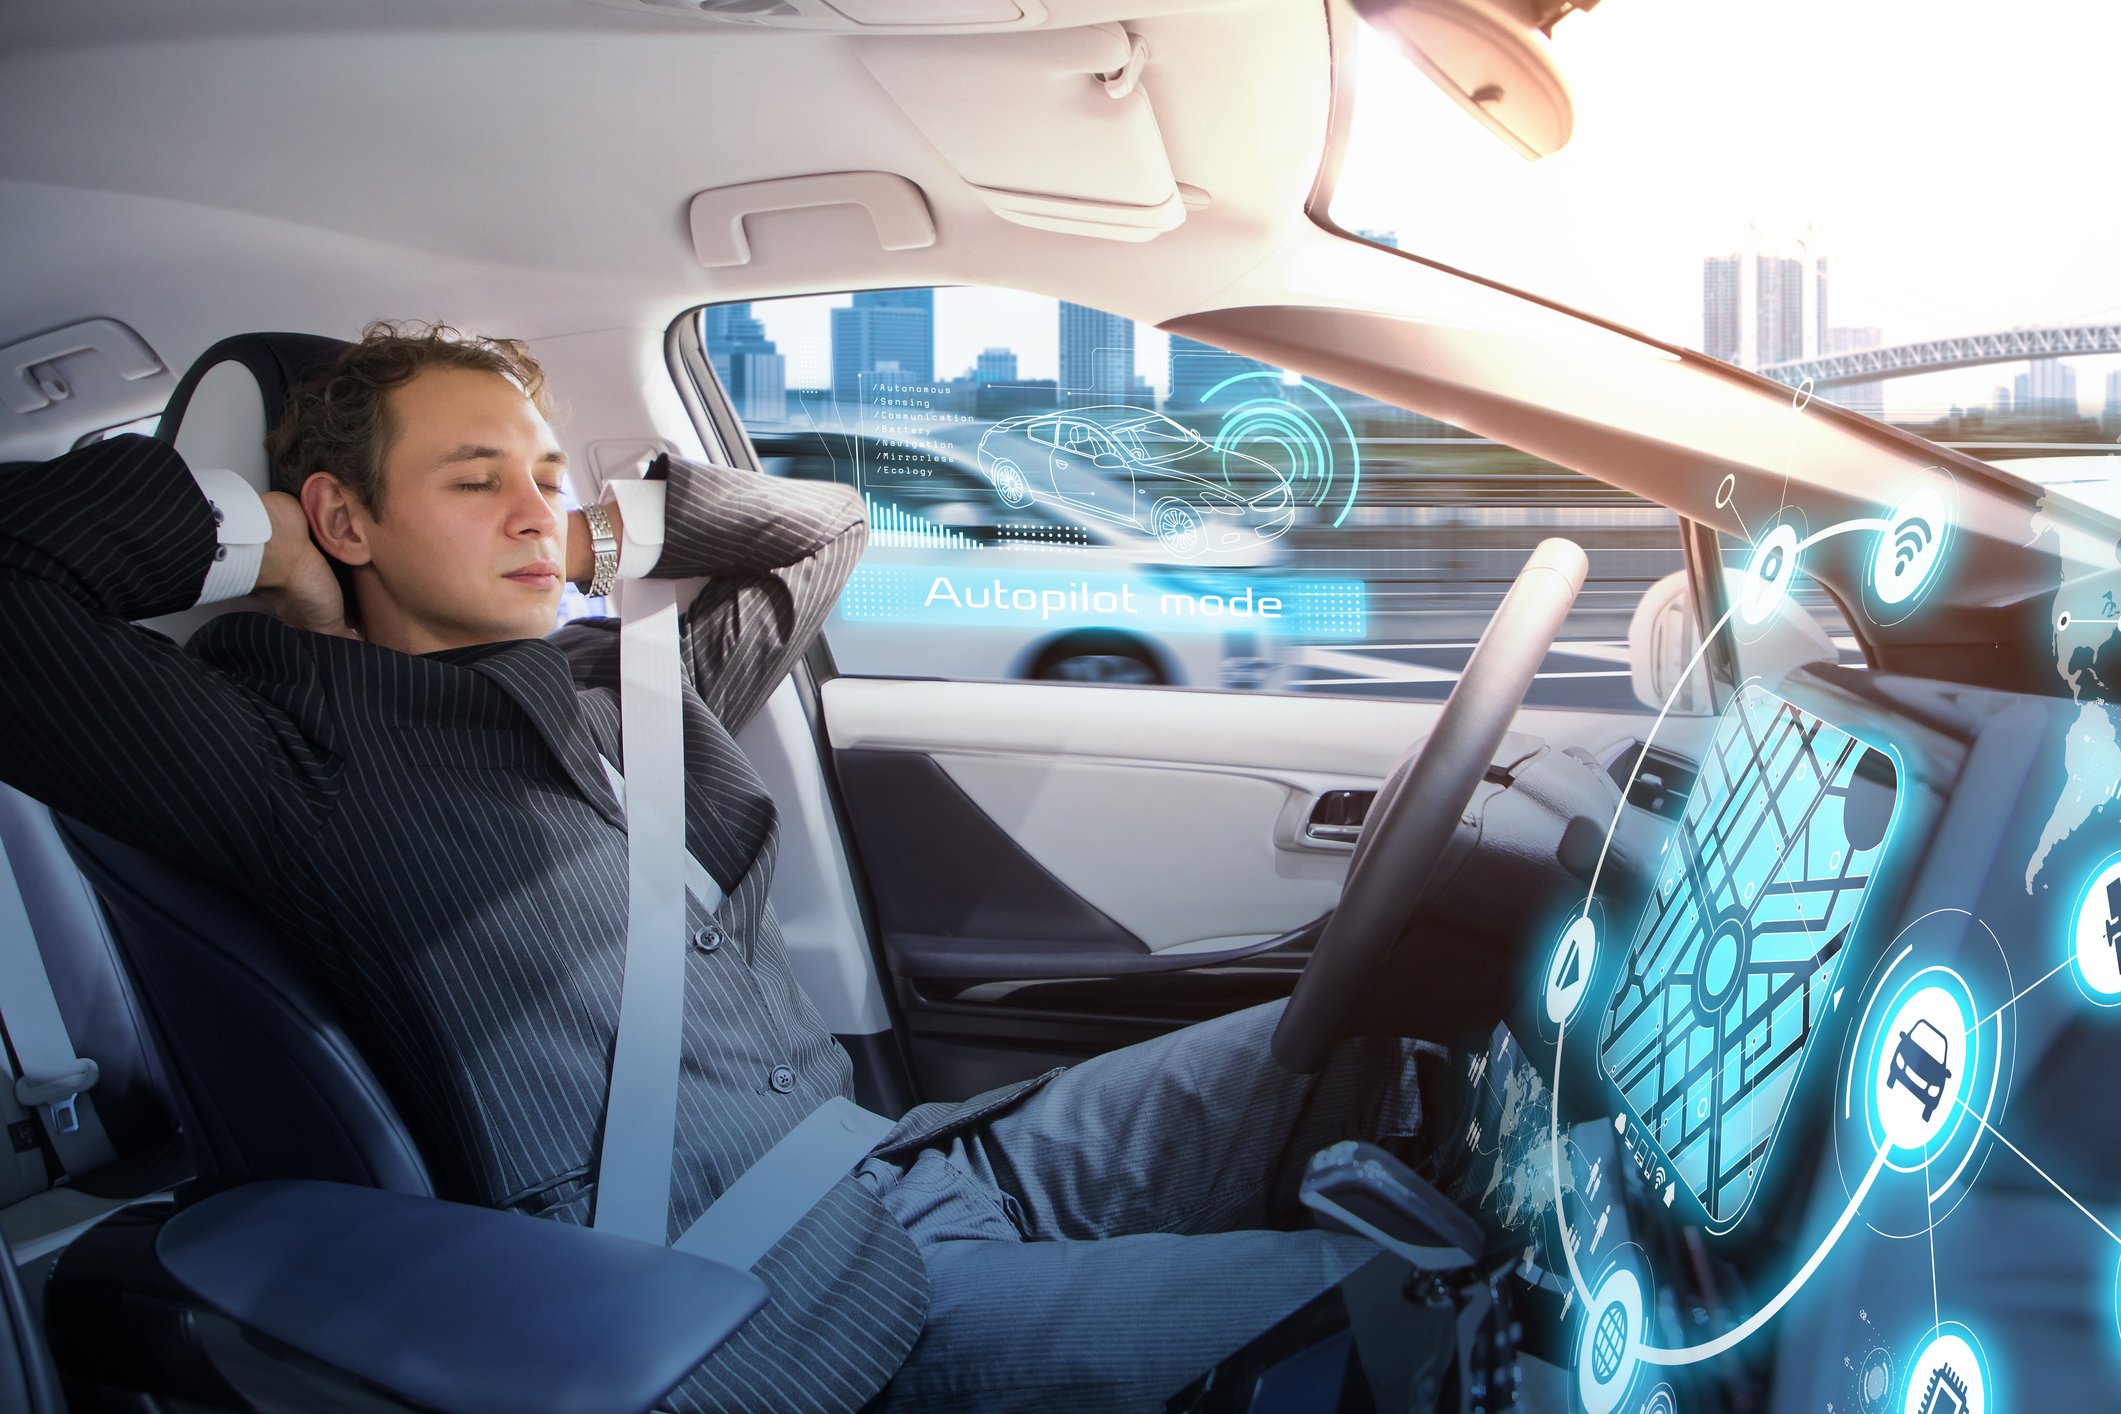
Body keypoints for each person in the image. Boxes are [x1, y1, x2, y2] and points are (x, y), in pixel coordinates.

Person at [0, 322, 1462, 1413]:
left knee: (1387, 1056)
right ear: (345, 516)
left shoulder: (622, 687)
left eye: (545, 475)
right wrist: (255, 539)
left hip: (900, 1171)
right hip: (770, 1306)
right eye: (474, 479)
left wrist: (601, 530)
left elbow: (822, 530)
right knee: (1421, 1320)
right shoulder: (282, 757)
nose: (532, 511)